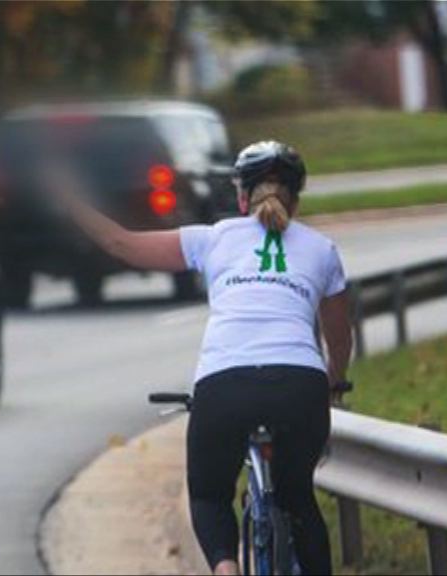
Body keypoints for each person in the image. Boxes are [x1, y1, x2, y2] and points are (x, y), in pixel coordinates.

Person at [46, 141, 353, 575]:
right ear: (296, 200)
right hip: (298, 385)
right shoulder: (322, 249)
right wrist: (333, 380)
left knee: (209, 495)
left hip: (224, 386)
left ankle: (225, 569)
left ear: (242, 198)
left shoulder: (213, 238)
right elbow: (340, 335)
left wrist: (68, 197)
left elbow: (120, 243)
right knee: (296, 495)